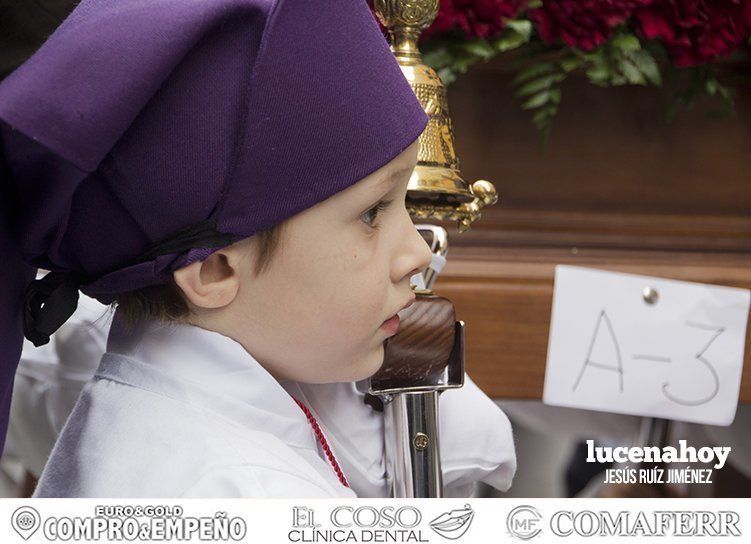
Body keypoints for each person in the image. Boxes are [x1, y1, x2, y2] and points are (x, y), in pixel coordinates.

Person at [0, 0, 515, 497]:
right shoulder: (245, 493)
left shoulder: (202, 399)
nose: (418, 254)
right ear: (216, 269)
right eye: (372, 211)